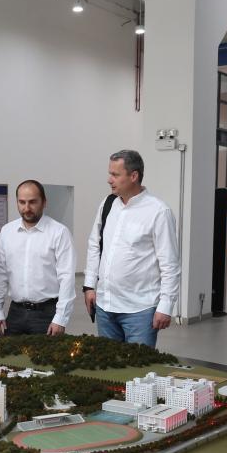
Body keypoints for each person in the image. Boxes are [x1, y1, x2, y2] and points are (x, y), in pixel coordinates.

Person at [83, 149, 180, 348]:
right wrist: (89, 286)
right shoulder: (108, 204)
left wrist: (166, 306)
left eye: (115, 174)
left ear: (134, 176)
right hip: (105, 307)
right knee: (108, 364)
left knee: (138, 366)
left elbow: (170, 264)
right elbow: (94, 244)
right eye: (110, 173)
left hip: (140, 311)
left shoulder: (159, 211)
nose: (109, 180)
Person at [0, 179, 76, 337]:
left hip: (47, 315)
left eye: (32, 202)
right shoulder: (7, 232)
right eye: (22, 202)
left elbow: (67, 278)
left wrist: (61, 318)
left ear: (44, 202)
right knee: (9, 354)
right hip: (15, 313)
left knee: (45, 354)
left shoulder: (59, 233)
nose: (27, 208)